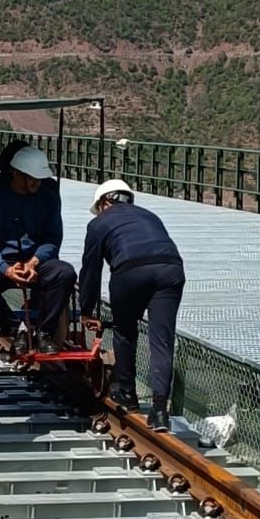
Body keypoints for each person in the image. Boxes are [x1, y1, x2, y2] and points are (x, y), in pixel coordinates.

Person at [78, 178, 185, 434]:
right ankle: (160, 410)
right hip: (171, 269)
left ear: (104, 203)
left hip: (130, 271)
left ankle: (127, 393)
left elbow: (91, 270)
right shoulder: (149, 215)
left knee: (124, 330)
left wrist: (86, 310)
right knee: (162, 339)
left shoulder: (98, 223)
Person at [0, 146, 76, 353]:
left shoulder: (48, 198)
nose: (37, 183)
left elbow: (52, 238)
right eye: (32, 178)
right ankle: (13, 326)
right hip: (4, 262)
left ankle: (44, 331)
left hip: (37, 261)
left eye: (39, 178)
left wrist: (35, 261)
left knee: (65, 273)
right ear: (16, 174)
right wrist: (5, 268)